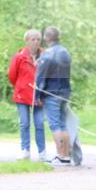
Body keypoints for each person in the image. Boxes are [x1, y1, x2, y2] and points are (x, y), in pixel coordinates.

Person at [34, 26, 73, 166]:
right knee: (63, 124)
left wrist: (37, 96)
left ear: (46, 38)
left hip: (52, 93)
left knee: (55, 125)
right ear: (58, 37)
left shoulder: (47, 54)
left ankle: (61, 156)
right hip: (65, 93)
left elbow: (41, 78)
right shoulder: (66, 52)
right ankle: (65, 156)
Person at [8, 29, 46, 161]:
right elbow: (12, 76)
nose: (36, 42)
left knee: (39, 124)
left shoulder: (45, 56)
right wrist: (22, 86)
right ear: (27, 40)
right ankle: (25, 151)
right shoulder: (19, 57)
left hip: (39, 96)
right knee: (24, 124)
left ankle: (42, 153)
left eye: (38, 39)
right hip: (22, 96)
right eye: (33, 39)